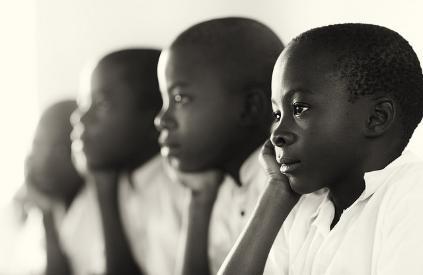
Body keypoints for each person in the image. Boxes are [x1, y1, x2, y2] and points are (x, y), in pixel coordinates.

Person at [218, 23, 423, 275]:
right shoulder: (305, 210)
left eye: (299, 108)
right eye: (277, 113)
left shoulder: (412, 195)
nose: (277, 134)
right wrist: (276, 194)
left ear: (376, 118)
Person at [154, 17, 284, 275]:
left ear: (250, 108)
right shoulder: (224, 187)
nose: (161, 119)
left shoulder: (290, 187)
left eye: (180, 98)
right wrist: (199, 198)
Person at [71, 48, 179, 275]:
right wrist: (104, 186)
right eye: (83, 104)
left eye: (101, 104)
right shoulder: (125, 186)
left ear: (155, 118)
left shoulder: (178, 190)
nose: (80, 117)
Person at [24, 100, 84, 275]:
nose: (43, 161)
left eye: (58, 149)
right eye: (37, 145)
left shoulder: (89, 209)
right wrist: (45, 212)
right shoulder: (56, 206)